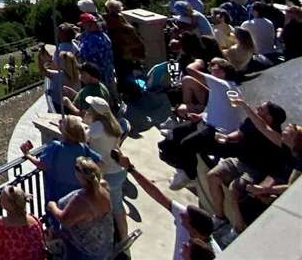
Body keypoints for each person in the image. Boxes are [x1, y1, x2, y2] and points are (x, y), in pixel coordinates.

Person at [115, 150, 216, 260]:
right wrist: (131, 169)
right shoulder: (187, 222)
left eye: (185, 217)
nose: (181, 215)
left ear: (195, 231)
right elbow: (156, 194)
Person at [205, 99, 290, 230]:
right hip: (239, 161)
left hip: (256, 170)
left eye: (261, 109)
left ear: (269, 118)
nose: (257, 110)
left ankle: (239, 227)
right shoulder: (251, 121)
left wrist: (244, 105)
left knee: (235, 189)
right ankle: (219, 217)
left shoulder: (276, 136)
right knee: (212, 176)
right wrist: (228, 138)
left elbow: (263, 127)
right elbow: (240, 133)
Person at [157, 57, 241, 189]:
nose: (210, 67)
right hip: (210, 123)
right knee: (177, 132)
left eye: (214, 65)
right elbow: (219, 109)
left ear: (223, 72)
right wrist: (201, 116)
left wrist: (199, 62)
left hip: (219, 132)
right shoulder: (227, 88)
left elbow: (190, 69)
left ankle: (189, 175)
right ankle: (180, 166)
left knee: (187, 144)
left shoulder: (221, 83)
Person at [18, 117, 101, 224]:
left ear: (67, 131)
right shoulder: (82, 147)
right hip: (79, 191)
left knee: (58, 220)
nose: (60, 122)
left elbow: (42, 165)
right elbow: (99, 162)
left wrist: (28, 155)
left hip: (58, 192)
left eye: (63, 122)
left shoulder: (55, 147)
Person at [47, 157, 113, 260]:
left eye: (76, 167)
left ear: (81, 175)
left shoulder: (81, 200)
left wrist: (52, 206)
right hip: (104, 246)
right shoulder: (104, 186)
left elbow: (64, 221)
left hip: (86, 252)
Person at [82, 96, 127, 242]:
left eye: (91, 108)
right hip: (118, 170)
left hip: (108, 173)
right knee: (118, 207)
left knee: (109, 209)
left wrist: (85, 120)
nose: (88, 109)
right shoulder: (113, 125)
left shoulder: (98, 127)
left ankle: (112, 240)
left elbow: (83, 137)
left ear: (95, 111)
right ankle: (124, 237)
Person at [0, 186, 44, 260]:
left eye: (2, 197)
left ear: (8, 204)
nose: (0, 198)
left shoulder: (1, 226)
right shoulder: (34, 220)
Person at [74, 13, 115, 90]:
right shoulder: (104, 36)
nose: (83, 27)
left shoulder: (90, 40)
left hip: (96, 79)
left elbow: (82, 57)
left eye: (84, 25)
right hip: (108, 75)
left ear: (88, 25)